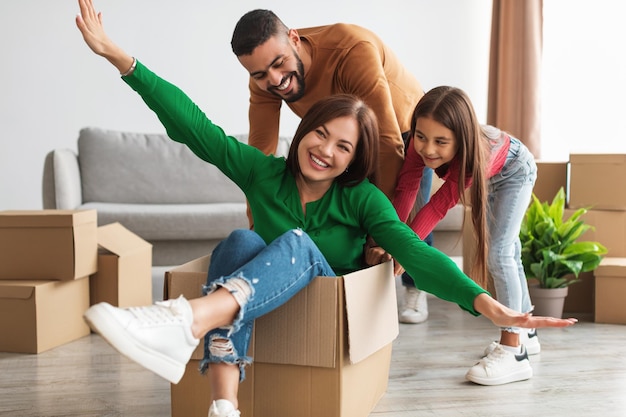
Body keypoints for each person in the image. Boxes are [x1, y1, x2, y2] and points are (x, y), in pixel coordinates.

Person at [75, 2, 577, 415]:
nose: (326, 151)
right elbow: (194, 126)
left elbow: (415, 251)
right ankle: (223, 406)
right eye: (320, 134)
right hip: (262, 288)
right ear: (303, 131)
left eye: (343, 147)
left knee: (296, 241)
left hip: (327, 291)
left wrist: (484, 303)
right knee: (239, 242)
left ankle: (185, 320)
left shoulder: (361, 198)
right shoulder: (262, 173)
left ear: (354, 158)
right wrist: (122, 60)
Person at [231, 9, 434, 323]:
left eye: (278, 64)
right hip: (342, 137)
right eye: (259, 74)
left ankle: (415, 286)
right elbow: (258, 157)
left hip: (402, 128)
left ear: (295, 40)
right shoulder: (265, 77)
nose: (274, 80)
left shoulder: (352, 51)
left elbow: (387, 142)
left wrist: (380, 237)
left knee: (402, 217)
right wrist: (258, 223)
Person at [366, 85, 541, 386]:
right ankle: (527, 329)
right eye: (421, 136)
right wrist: (392, 242)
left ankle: (515, 349)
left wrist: (406, 252)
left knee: (499, 252)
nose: (428, 149)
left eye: (441, 142)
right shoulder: (416, 147)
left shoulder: (474, 156)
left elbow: (436, 207)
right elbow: (406, 193)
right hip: (494, 175)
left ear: (461, 140)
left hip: (515, 171)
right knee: (509, 249)